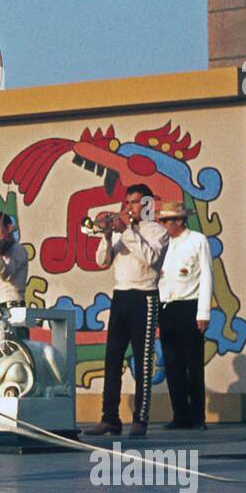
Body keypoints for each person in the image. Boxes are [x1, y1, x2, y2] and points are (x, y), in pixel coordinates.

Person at [86, 183, 169, 438]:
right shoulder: (122, 232)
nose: (129, 207)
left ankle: (140, 419)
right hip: (120, 295)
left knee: (143, 361)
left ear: (147, 205)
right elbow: (102, 261)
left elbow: (151, 258)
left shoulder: (157, 231)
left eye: (135, 202)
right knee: (112, 358)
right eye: (128, 202)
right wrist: (108, 234)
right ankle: (109, 418)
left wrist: (127, 232)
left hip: (144, 295)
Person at [156, 201, 213, 429]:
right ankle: (179, 414)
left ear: (179, 221)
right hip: (167, 307)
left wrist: (204, 312)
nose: (163, 225)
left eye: (166, 220)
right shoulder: (163, 244)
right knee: (172, 363)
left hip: (190, 305)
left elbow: (207, 275)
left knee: (193, 363)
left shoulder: (197, 240)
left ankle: (197, 415)